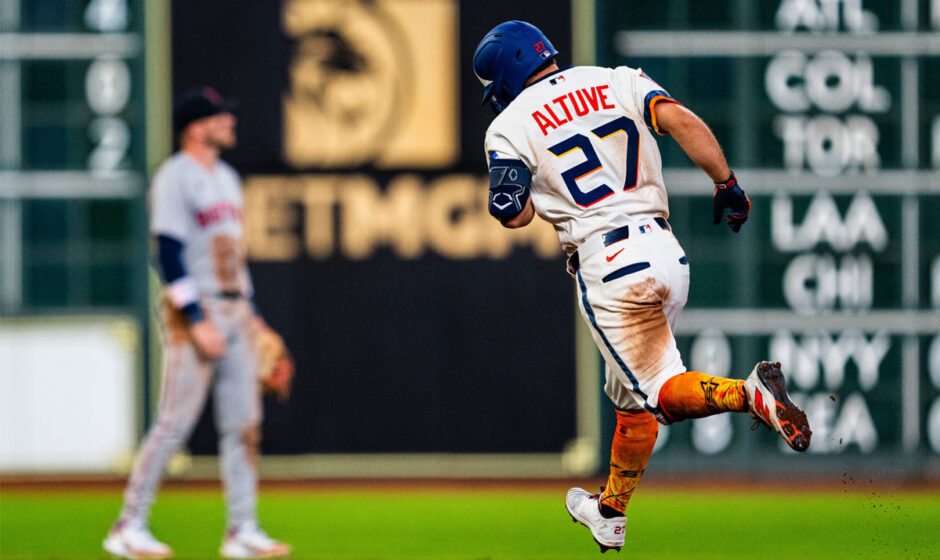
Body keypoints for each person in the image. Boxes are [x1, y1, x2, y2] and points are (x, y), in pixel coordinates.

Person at [473, 21, 812, 553]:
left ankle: (750, 394)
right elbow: (678, 119)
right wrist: (726, 182)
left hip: (608, 264)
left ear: (506, 76)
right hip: (666, 251)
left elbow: (511, 214)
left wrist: (531, 191)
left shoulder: (510, 125)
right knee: (630, 398)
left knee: (659, 394)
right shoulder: (616, 79)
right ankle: (610, 512)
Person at [103, 87, 292, 559]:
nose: (228, 121)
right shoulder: (174, 176)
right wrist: (193, 317)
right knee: (174, 423)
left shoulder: (227, 178)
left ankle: (242, 530)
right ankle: (128, 525)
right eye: (218, 116)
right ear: (195, 126)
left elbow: (237, 258)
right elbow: (166, 252)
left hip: (235, 309)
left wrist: (256, 320)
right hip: (197, 310)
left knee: (244, 426)